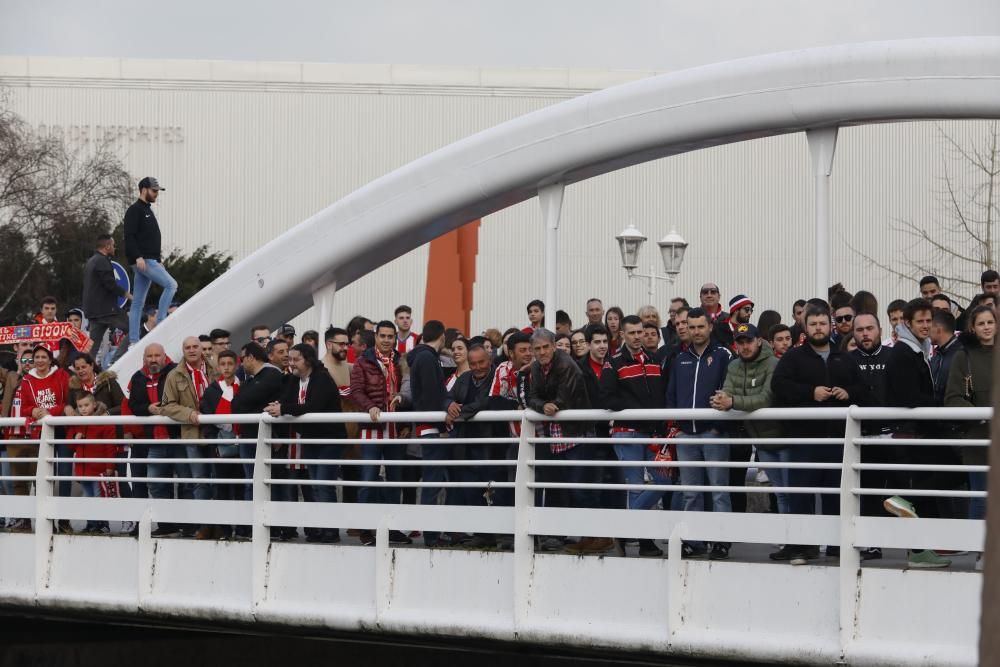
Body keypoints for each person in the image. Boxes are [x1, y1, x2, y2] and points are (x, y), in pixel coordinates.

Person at [771, 303, 868, 565]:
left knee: (835, 495)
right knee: (800, 495)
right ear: (805, 327)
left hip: (838, 439)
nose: (818, 328)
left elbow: (862, 388)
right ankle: (803, 547)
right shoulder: (793, 357)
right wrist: (810, 393)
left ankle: (837, 547)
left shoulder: (844, 357)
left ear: (830, 325)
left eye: (822, 323)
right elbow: (779, 386)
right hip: (805, 440)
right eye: (813, 324)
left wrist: (848, 393)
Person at [882, 298, 954, 568]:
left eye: (928, 321)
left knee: (941, 480)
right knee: (940, 476)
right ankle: (908, 508)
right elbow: (908, 396)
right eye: (920, 321)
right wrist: (941, 403)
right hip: (910, 434)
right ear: (907, 324)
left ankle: (922, 549)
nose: (926, 326)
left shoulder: (918, 350)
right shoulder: (904, 353)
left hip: (920, 432)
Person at [599, 315, 670, 557]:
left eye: (640, 332)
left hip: (651, 432)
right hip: (626, 432)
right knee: (637, 488)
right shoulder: (614, 362)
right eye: (632, 333)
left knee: (664, 482)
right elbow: (606, 397)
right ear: (623, 336)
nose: (637, 337)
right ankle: (645, 542)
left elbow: (660, 396)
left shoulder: (654, 359)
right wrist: (634, 407)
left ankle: (623, 529)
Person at [666, 308, 732, 560]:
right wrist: (677, 424)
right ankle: (695, 540)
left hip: (713, 433)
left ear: (710, 327)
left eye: (700, 326)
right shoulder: (680, 358)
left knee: (719, 490)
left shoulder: (724, 355)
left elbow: (729, 391)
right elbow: (671, 394)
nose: (695, 331)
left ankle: (721, 540)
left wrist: (719, 426)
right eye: (691, 327)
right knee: (690, 492)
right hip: (686, 434)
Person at [265, 344, 348, 545]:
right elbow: (286, 400)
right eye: (290, 359)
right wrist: (278, 406)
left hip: (329, 439)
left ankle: (330, 531)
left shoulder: (322, 379)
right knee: (316, 486)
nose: (291, 363)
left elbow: (313, 406)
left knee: (324, 485)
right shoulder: (294, 380)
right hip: (310, 439)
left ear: (308, 361)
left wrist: (283, 408)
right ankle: (320, 527)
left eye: (296, 359)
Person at [526, 329, 597, 549]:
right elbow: (533, 397)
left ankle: (587, 533)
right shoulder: (537, 367)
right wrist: (542, 405)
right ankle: (560, 533)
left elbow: (562, 400)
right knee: (557, 487)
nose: (542, 352)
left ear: (554, 346)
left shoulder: (567, 365)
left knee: (578, 487)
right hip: (552, 434)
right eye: (537, 349)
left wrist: (546, 404)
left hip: (575, 433)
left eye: (545, 347)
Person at [711, 324, 787, 514]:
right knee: (781, 492)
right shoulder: (734, 365)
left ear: (759, 341)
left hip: (785, 438)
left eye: (749, 341)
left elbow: (765, 398)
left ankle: (799, 539)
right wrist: (721, 398)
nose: (745, 346)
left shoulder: (773, 363)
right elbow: (728, 390)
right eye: (740, 342)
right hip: (761, 440)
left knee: (790, 492)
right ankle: (790, 539)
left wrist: (732, 401)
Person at [350, 320, 410, 546]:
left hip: (396, 427)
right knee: (368, 480)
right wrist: (370, 406)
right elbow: (356, 391)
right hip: (372, 428)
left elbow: (408, 389)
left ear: (395, 338)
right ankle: (366, 530)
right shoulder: (363, 360)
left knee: (395, 481)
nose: (386, 340)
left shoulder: (401, 360)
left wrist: (406, 422)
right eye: (382, 336)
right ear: (375, 337)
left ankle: (392, 529)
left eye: (390, 336)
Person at [945, 304, 995, 568]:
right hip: (977, 438)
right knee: (980, 498)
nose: (987, 327)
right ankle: (980, 552)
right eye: (981, 323)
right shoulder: (963, 357)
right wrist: (983, 413)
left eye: (990, 322)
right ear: (972, 328)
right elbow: (952, 399)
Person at [161, 336, 217, 539]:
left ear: (202, 349)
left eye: (196, 347)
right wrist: (189, 414)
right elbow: (167, 405)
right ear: (183, 350)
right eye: (188, 347)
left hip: (217, 432)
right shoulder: (174, 375)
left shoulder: (215, 368)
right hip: (192, 433)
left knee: (219, 479)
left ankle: (222, 524)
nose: (192, 350)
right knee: (199, 480)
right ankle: (204, 525)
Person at [407, 320, 457, 547]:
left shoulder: (420, 356)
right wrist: (443, 411)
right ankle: (431, 534)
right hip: (431, 425)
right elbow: (431, 393)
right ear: (442, 336)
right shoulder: (427, 358)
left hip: (429, 424)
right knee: (433, 479)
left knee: (434, 479)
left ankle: (433, 532)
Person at [849, 312, 893, 561]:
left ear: (879, 330)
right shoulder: (846, 361)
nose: (865, 333)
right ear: (853, 333)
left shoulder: (894, 357)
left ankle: (912, 545)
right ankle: (871, 544)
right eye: (860, 329)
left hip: (893, 436)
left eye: (870, 328)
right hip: (861, 438)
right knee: (867, 492)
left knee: (899, 491)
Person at [230, 342, 284, 539]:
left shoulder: (270, 375)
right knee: (253, 483)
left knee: (260, 483)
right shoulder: (256, 379)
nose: (241, 363)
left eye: (242, 358)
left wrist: (244, 403)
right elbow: (238, 404)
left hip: (262, 438)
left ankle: (266, 527)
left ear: (251, 357)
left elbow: (240, 403)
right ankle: (256, 526)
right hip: (253, 437)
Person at [127, 343, 181, 537]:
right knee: (156, 484)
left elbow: (183, 398)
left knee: (185, 482)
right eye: (149, 356)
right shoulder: (137, 377)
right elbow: (134, 405)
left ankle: (189, 524)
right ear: (144, 358)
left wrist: (166, 408)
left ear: (164, 356)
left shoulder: (175, 371)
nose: (153, 359)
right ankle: (166, 524)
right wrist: (148, 409)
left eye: (157, 355)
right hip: (154, 440)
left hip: (177, 437)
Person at [124, 177, 177, 345]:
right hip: (143, 260)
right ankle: (161, 321)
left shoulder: (147, 210)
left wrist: (158, 259)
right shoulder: (135, 210)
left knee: (138, 302)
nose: (156, 194)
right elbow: (129, 236)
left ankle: (133, 341)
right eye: (154, 191)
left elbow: (150, 238)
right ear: (143, 189)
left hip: (150, 259)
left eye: (157, 191)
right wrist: (137, 257)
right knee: (171, 285)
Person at [199, 349, 242, 539]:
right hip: (220, 447)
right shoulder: (212, 390)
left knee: (241, 487)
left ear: (236, 365)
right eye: (223, 364)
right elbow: (207, 415)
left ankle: (242, 528)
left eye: (230, 364)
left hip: (242, 444)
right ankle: (224, 529)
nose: (226, 367)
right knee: (222, 488)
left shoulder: (244, 386)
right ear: (218, 366)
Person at [66, 391, 119, 534]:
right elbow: (70, 445)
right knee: (88, 497)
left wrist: (110, 466)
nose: (83, 409)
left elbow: (110, 445)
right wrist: (74, 437)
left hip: (98, 468)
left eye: (86, 405)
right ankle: (91, 523)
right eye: (80, 406)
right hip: (83, 468)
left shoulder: (104, 421)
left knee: (98, 497)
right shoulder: (76, 422)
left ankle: (102, 524)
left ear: (94, 405)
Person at [83, 234, 132, 364]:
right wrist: (128, 295)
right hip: (107, 310)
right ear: (107, 246)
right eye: (113, 245)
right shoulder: (102, 261)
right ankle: (115, 361)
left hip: (94, 312)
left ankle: (84, 372)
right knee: (134, 329)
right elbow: (110, 284)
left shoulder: (91, 261)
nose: (115, 248)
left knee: (92, 349)